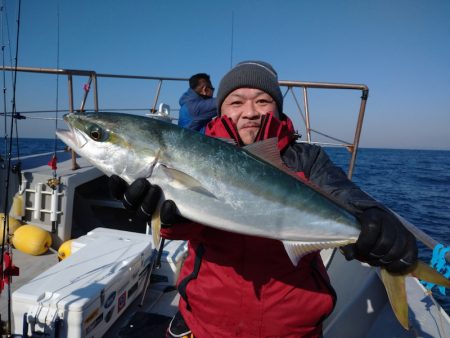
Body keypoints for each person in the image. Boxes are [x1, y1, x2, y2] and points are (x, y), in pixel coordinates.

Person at [109, 61, 418, 338]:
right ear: (221, 108)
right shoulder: (194, 155)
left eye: (263, 100)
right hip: (206, 323)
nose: (250, 111)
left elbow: (344, 195)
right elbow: (184, 227)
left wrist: (374, 217)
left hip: (293, 327)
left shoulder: (305, 159)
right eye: (236, 101)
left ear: (277, 108)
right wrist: (163, 215)